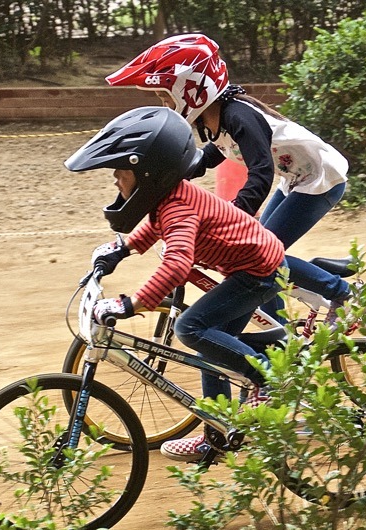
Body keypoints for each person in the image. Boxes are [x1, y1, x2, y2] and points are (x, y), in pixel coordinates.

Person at [65, 105, 287, 463]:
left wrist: (130, 303)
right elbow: (155, 228)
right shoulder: (169, 197)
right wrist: (121, 250)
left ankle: (268, 380)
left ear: (148, 174)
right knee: (211, 351)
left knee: (190, 327)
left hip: (259, 270)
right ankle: (215, 436)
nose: (115, 181)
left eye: (120, 173)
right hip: (245, 268)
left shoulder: (179, 206)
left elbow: (178, 262)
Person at [105, 33, 352, 322]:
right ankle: (282, 333)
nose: (164, 105)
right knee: (262, 258)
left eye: (165, 97)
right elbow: (210, 156)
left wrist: (233, 218)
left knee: (264, 256)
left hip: (320, 179)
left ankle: (343, 293)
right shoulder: (215, 118)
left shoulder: (239, 116)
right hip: (295, 180)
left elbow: (260, 174)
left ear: (191, 90)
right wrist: (163, 178)